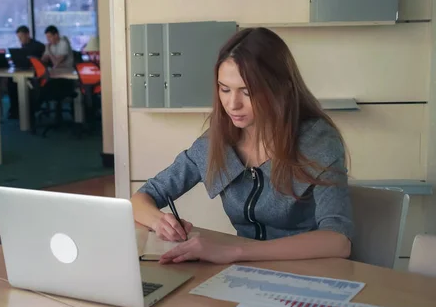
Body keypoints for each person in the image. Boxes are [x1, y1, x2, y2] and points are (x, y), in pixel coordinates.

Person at [131, 27, 353, 265]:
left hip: (309, 274)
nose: (232, 104)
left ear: (282, 89)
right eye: (224, 89)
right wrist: (159, 222)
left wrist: (234, 252)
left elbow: (338, 241)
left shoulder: (318, 142)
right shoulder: (216, 141)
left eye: (247, 92)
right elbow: (141, 199)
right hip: (243, 275)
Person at [7, 26, 45, 119]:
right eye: (19, 38)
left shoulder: (38, 46)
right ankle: (15, 110)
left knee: (21, 85)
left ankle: (27, 110)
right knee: (10, 82)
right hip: (25, 71)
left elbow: (42, 62)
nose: (20, 40)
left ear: (27, 34)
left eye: (21, 37)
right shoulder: (24, 47)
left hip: (36, 75)